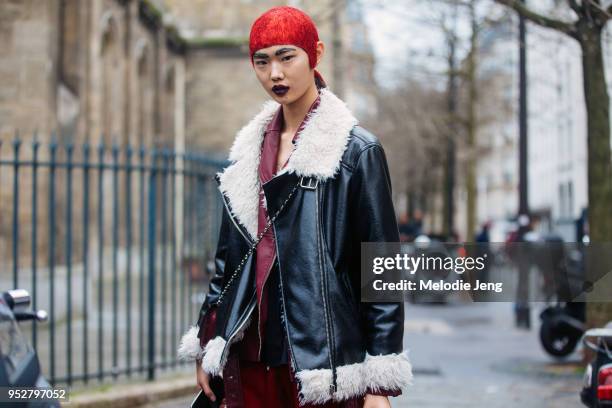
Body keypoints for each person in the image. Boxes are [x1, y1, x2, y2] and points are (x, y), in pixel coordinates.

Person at [178, 6, 412, 408]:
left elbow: (382, 271)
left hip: (324, 362)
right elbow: (227, 265)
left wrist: (379, 383)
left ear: (314, 53)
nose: (275, 74)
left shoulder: (356, 152)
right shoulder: (246, 158)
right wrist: (207, 342)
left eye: (287, 57)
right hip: (249, 358)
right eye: (262, 61)